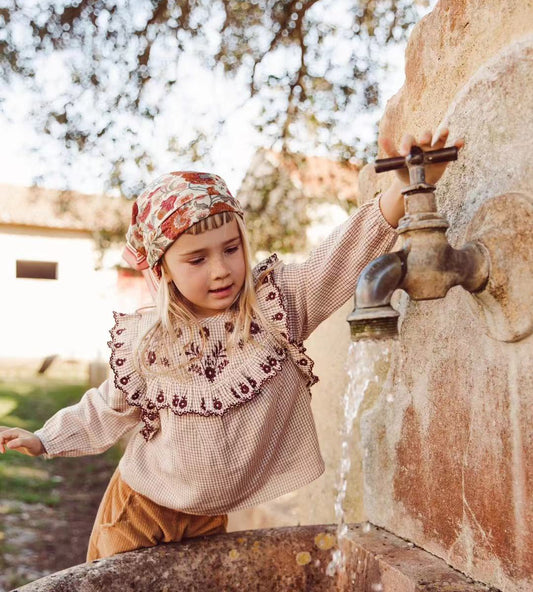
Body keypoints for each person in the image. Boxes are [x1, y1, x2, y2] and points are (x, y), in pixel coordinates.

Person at [0, 130, 460, 562]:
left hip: (208, 518)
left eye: (231, 249)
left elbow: (338, 256)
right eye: (197, 259)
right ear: (163, 271)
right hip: (137, 511)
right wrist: (45, 439)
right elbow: (105, 409)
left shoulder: (276, 308)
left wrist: (405, 191)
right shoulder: (150, 344)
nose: (220, 270)